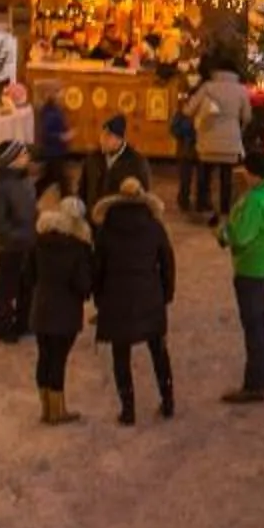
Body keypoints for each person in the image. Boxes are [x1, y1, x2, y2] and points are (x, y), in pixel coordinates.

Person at [88, 175, 176, 425]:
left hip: (116, 298)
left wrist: (99, 299)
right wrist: (166, 294)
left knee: (121, 356)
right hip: (149, 296)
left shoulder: (106, 230)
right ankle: (168, 401)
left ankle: (128, 410)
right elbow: (167, 263)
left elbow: (97, 268)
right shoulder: (155, 227)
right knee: (158, 351)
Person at [219, 145, 264, 403]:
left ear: (255, 175)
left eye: (247, 173)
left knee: (254, 325)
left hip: (252, 268)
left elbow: (240, 236)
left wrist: (221, 233)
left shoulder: (255, 201)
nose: (244, 177)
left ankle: (254, 384)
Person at [28, 192, 94, 426]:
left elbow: (29, 275)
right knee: (58, 360)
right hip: (65, 313)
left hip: (41, 309)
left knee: (44, 356)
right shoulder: (78, 248)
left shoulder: (40, 243)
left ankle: (46, 407)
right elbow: (83, 284)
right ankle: (57, 411)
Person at [183, 51, 250, 225]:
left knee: (204, 175)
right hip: (231, 142)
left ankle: (203, 209)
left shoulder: (207, 87)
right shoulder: (241, 90)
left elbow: (189, 110)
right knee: (226, 177)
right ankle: (225, 211)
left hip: (207, 140)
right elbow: (247, 116)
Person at [0, 141, 35, 344]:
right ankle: (3, 326)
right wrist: (19, 236)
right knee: (7, 288)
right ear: (12, 159)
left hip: (29, 242)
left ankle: (25, 322)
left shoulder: (26, 180)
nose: (27, 157)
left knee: (28, 285)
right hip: (10, 246)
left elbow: (32, 209)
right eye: (23, 154)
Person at [31, 87, 75, 199]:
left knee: (48, 178)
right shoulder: (50, 113)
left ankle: (30, 196)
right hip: (53, 152)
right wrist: (62, 136)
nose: (63, 96)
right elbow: (46, 134)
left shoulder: (53, 110)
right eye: (59, 93)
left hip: (56, 151)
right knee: (63, 181)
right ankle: (67, 201)